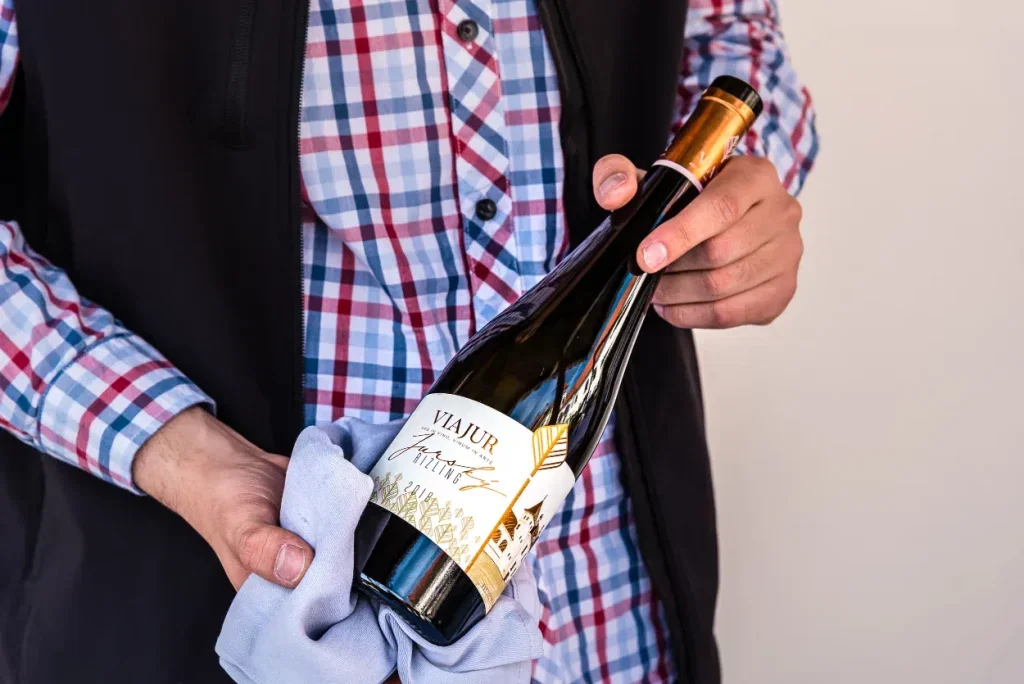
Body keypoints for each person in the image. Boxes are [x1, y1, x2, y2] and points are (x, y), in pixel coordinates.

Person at [0, 0, 817, 682]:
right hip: (262, 620)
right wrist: (178, 448)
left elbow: (732, 38)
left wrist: (733, 207)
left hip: (614, 622)